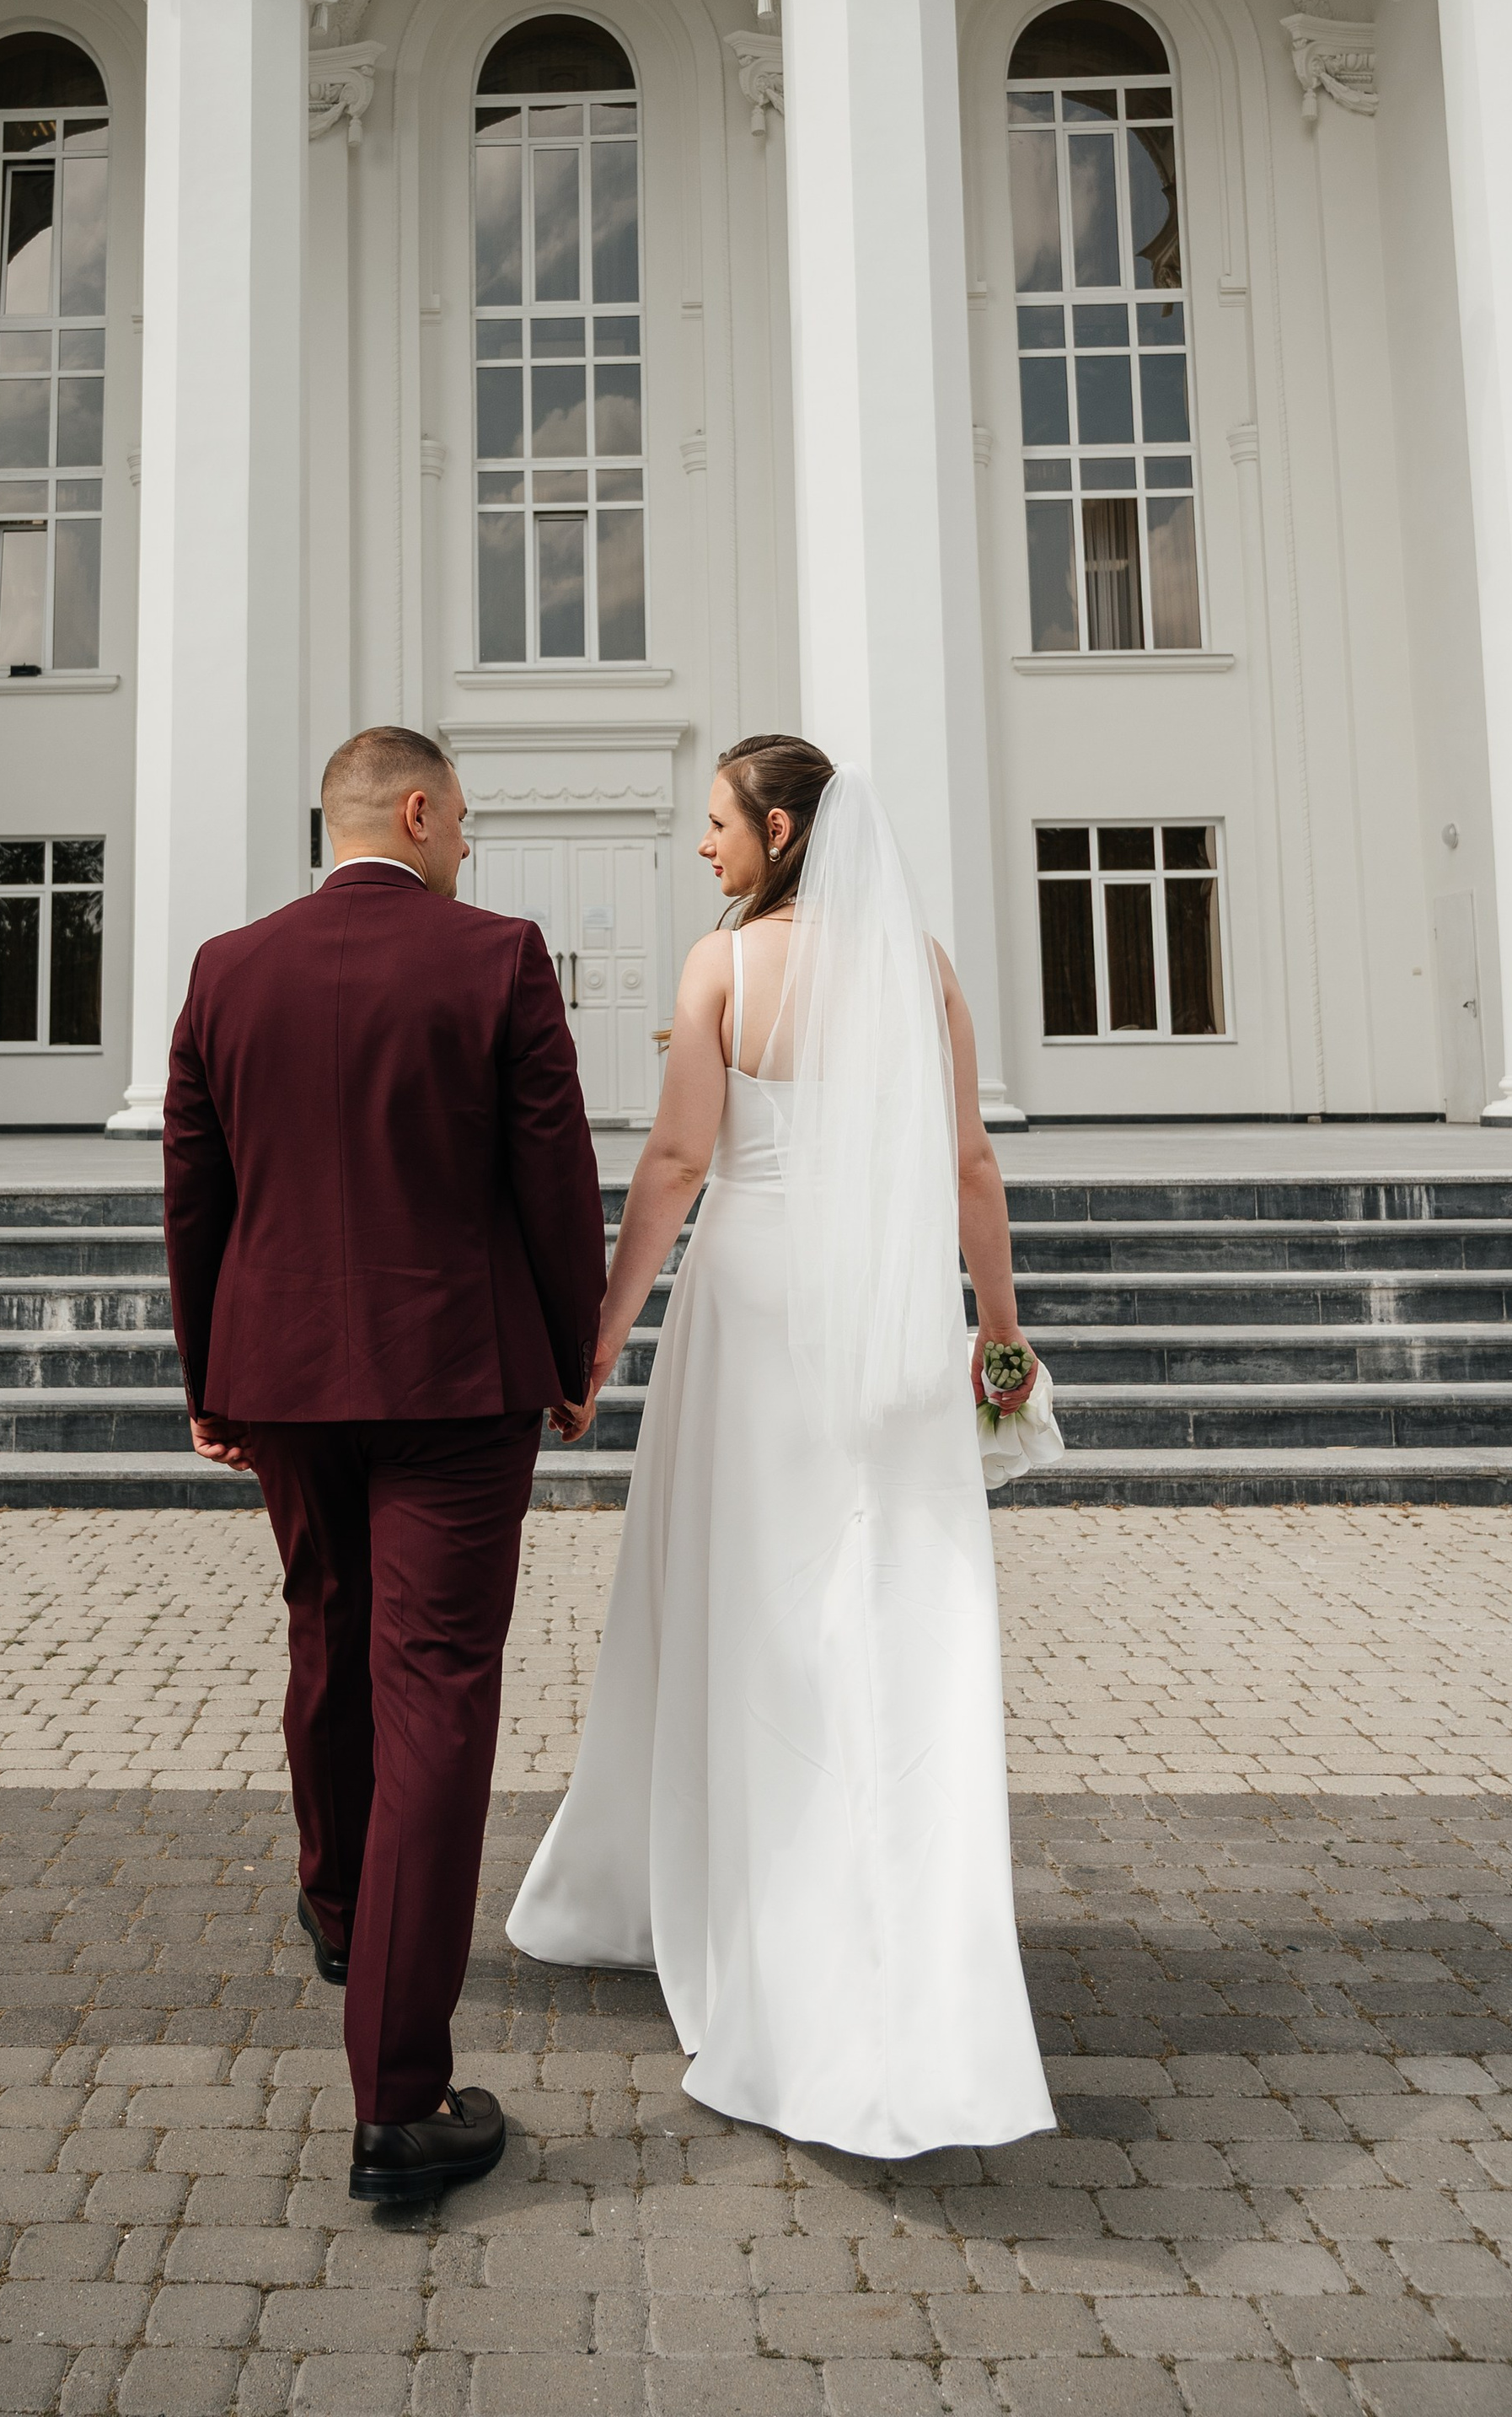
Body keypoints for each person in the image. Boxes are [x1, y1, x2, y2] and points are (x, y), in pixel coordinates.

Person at [507, 734, 1055, 2157]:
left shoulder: (725, 970)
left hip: (752, 1324)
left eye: (717, 823)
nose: (704, 848)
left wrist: (608, 1329)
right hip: (889, 1326)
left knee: (749, 1612)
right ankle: (906, 1939)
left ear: (782, 828)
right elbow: (968, 1167)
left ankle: (744, 1903)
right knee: (891, 1616)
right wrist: (998, 1332)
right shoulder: (920, 969)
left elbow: (680, 1165)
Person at [162, 724, 606, 2205]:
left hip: (280, 1372)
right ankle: (399, 2103)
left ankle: (344, 1909)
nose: (469, 848)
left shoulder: (229, 968)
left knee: (328, 1635)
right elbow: (553, 1175)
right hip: (454, 1377)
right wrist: (573, 1350)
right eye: (463, 820)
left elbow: (196, 1184)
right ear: (414, 811)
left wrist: (206, 1376)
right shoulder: (496, 958)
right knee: (437, 1694)